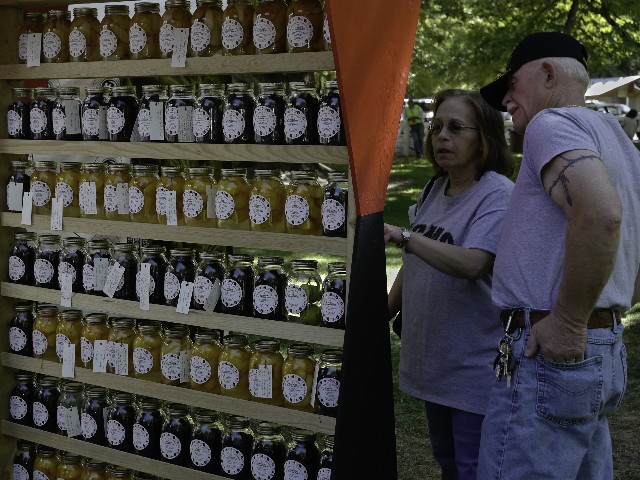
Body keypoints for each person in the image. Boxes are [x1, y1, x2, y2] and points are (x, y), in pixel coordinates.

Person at [478, 32, 640, 479]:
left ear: (547, 74)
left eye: (511, 85)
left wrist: (568, 321)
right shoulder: (618, 139)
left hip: (551, 352)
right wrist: (610, 306)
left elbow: (601, 215)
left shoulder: (550, 124)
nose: (505, 100)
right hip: (599, 348)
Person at [385, 89, 514, 480]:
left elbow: (474, 263)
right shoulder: (433, 189)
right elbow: (414, 264)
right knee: (449, 462)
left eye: (456, 128)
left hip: (473, 365)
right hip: (433, 361)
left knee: (474, 468)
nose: (442, 136)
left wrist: (404, 236)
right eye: (436, 126)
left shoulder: (497, 194)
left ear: (483, 139)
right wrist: (383, 312)